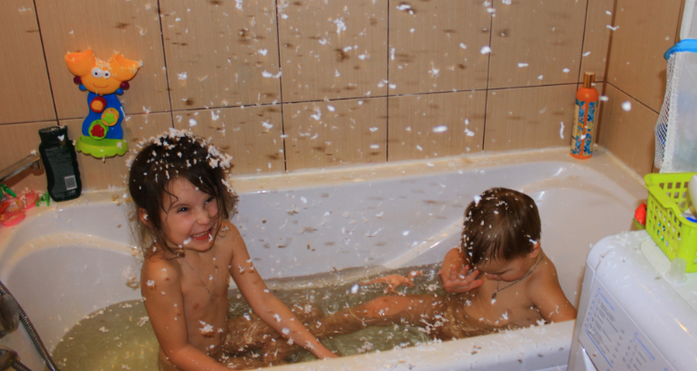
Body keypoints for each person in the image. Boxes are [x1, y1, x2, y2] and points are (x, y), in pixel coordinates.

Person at [128, 130, 337, 370]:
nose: (205, 218)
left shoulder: (226, 237)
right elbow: (178, 351)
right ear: (149, 218)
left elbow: (263, 300)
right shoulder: (162, 272)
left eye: (208, 200)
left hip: (222, 340)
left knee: (309, 312)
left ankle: (278, 350)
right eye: (184, 209)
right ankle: (273, 355)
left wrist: (322, 352)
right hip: (189, 365)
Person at [312, 187, 576, 341]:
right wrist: (452, 275)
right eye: (482, 268)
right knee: (382, 305)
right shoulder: (496, 248)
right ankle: (313, 331)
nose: (489, 276)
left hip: (478, 338)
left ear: (532, 249)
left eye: (501, 272)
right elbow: (456, 253)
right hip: (450, 310)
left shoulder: (540, 283)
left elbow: (574, 334)